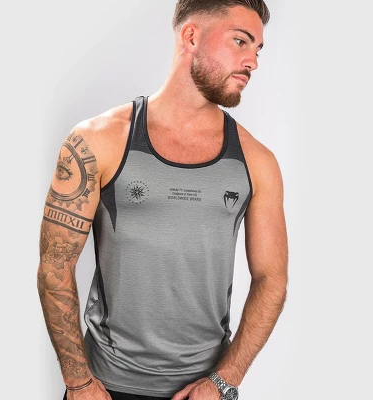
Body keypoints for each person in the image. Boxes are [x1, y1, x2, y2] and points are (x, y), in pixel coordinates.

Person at [37, 1, 288, 399]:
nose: (252, 62)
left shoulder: (257, 161)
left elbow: (272, 279)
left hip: (204, 390)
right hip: (105, 387)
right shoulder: (97, 140)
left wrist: (225, 380)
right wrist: (78, 382)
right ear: (191, 36)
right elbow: (55, 264)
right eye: (241, 41)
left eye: (257, 49)